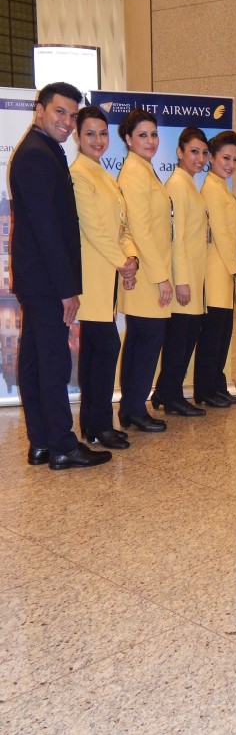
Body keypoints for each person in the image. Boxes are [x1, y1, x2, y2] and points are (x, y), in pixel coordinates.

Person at [9, 82, 111, 469]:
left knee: (37, 359)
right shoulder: (37, 155)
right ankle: (64, 446)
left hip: (38, 279)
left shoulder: (41, 149)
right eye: (60, 112)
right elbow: (47, 230)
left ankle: (41, 442)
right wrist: (67, 289)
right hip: (47, 281)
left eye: (72, 114)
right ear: (40, 110)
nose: (68, 122)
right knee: (52, 362)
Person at [70, 106, 139, 450]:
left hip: (108, 274)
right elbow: (93, 230)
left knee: (97, 352)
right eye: (90, 134)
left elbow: (121, 226)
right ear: (77, 136)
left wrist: (130, 257)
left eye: (102, 133)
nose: (98, 140)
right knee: (104, 347)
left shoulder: (105, 175)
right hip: (92, 277)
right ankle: (97, 425)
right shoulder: (79, 174)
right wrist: (121, 263)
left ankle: (93, 425)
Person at [117, 109, 173, 432]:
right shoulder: (135, 173)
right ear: (128, 139)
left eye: (153, 134)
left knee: (139, 341)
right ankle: (135, 408)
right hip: (148, 276)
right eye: (142, 135)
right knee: (147, 341)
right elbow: (140, 229)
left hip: (148, 273)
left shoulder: (143, 169)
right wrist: (161, 276)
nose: (150, 140)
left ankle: (130, 407)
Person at [152, 127, 209, 416]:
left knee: (186, 336)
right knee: (179, 339)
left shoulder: (189, 183)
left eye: (203, 153)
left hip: (195, 276)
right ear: (180, 152)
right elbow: (177, 237)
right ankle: (172, 396)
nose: (200, 158)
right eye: (194, 152)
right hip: (183, 279)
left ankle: (165, 390)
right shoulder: (177, 184)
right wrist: (183, 281)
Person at [193, 131, 236, 408]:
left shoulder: (223, 188)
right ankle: (205, 389)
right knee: (213, 334)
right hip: (215, 270)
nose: (230, 164)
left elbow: (234, 233)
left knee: (223, 333)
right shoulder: (212, 189)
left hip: (226, 270)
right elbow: (223, 235)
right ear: (210, 158)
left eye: (235, 159)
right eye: (225, 158)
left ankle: (216, 384)